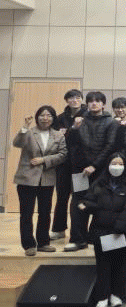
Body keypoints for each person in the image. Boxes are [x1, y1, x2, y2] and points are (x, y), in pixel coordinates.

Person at [78, 153, 126, 307]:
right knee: (102, 265)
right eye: (114, 163)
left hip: (120, 232)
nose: (117, 167)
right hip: (101, 231)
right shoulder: (99, 183)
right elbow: (89, 200)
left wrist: (120, 226)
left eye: (120, 164)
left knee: (119, 264)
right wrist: (85, 205)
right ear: (108, 165)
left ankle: (117, 295)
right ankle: (102, 297)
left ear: (125, 166)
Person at [65, 91, 119, 251]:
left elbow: (110, 146)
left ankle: (96, 238)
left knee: (102, 204)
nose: (94, 103)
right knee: (78, 203)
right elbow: (70, 143)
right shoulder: (80, 120)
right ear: (87, 104)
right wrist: (74, 128)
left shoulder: (111, 122)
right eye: (91, 101)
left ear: (103, 104)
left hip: (101, 171)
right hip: (80, 171)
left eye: (98, 101)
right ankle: (78, 239)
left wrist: (94, 165)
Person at [14, 106, 67, 255]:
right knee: (26, 214)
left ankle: (43, 243)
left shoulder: (58, 135)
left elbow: (63, 154)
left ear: (53, 118)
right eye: (42, 115)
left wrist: (44, 160)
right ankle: (29, 245)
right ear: (37, 117)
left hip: (47, 179)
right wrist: (25, 126)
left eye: (49, 115)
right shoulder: (29, 132)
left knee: (45, 213)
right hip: (26, 179)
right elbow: (17, 143)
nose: (45, 118)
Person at [50, 89, 86, 241]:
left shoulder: (88, 116)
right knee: (62, 197)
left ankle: (81, 232)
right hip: (63, 163)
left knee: (80, 197)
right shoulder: (60, 118)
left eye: (77, 97)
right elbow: (54, 139)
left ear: (81, 99)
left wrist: (69, 132)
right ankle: (59, 229)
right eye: (71, 98)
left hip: (81, 164)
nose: (74, 100)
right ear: (66, 101)